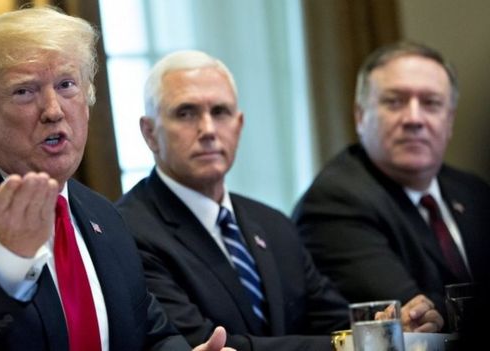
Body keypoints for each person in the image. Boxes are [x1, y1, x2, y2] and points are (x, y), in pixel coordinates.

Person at [0, 7, 234, 351]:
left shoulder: (103, 215)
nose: (53, 110)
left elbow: (149, 333)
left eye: (66, 85)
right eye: (24, 91)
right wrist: (6, 259)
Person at [116, 50, 442, 351]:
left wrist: (389, 329)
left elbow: (333, 322)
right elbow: (206, 344)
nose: (208, 129)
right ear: (149, 133)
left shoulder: (272, 223)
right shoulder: (129, 231)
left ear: (239, 125)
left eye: (220, 112)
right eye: (186, 113)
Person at [292, 41, 490, 332]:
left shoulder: (473, 191)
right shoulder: (334, 202)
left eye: (431, 103)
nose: (414, 118)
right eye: (394, 101)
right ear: (360, 117)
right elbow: (414, 316)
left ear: (449, 120)